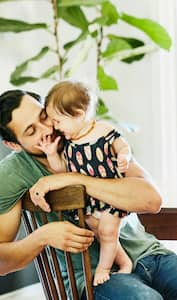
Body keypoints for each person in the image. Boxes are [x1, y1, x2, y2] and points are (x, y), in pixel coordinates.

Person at [0, 88, 177, 300]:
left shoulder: (91, 134)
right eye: (31, 132)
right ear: (14, 144)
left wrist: (74, 179)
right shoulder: (13, 174)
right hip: (91, 279)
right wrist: (43, 237)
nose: (47, 130)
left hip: (149, 255)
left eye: (43, 117)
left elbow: (151, 200)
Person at [35, 81, 133, 286]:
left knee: (107, 232)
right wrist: (52, 153)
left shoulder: (104, 130)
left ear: (79, 113)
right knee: (101, 233)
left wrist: (125, 155)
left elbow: (122, 145)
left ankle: (103, 269)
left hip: (110, 197)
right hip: (90, 202)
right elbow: (63, 171)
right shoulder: (69, 145)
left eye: (58, 120)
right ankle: (125, 263)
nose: (55, 126)